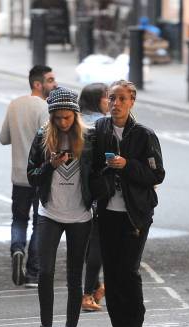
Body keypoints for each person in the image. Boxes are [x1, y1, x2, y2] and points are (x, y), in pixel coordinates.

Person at [92, 80, 165, 327]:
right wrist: (105, 171)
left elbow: (157, 175)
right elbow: (91, 166)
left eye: (122, 99)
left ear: (132, 101)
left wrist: (127, 166)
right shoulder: (100, 129)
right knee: (112, 272)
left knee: (129, 272)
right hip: (108, 212)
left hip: (135, 214)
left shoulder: (144, 135)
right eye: (112, 98)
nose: (116, 104)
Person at [27, 87, 94, 327]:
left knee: (74, 277)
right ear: (52, 117)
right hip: (50, 214)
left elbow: (98, 174)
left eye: (67, 118)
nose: (63, 122)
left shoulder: (89, 139)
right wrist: (50, 166)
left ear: (75, 116)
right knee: (45, 272)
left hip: (80, 215)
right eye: (58, 118)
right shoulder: (43, 137)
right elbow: (31, 175)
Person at [0, 65, 57, 287]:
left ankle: (16, 249)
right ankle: (33, 272)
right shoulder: (45, 108)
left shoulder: (14, 105)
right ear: (37, 84)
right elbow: (49, 142)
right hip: (40, 174)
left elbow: (3, 138)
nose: (54, 84)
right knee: (40, 223)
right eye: (50, 80)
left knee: (19, 219)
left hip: (18, 176)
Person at [78, 83, 109, 312]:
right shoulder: (101, 124)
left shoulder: (76, 121)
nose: (111, 103)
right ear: (98, 100)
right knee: (98, 242)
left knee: (90, 243)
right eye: (108, 98)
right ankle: (88, 294)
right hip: (99, 190)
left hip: (77, 190)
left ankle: (95, 288)